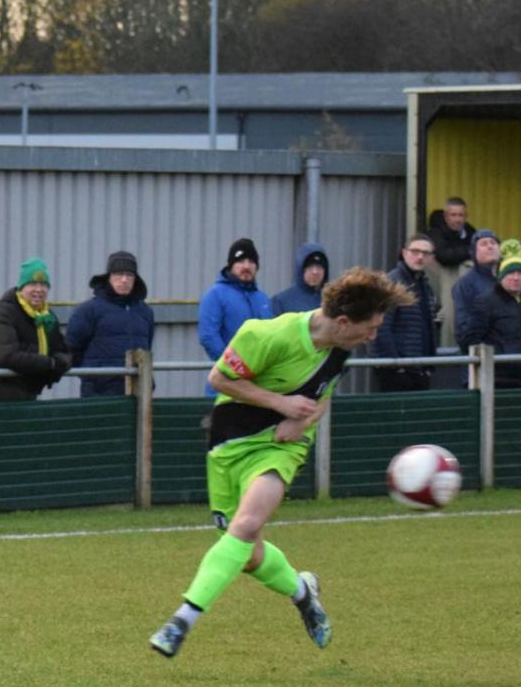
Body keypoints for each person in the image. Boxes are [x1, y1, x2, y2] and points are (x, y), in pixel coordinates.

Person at [149, 267, 413, 659]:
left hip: (281, 447)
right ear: (342, 322)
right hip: (230, 443)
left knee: (248, 523)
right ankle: (302, 590)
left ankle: (181, 621)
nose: (373, 336)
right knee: (246, 552)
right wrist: (281, 404)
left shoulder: (341, 349)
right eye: (370, 327)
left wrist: (303, 420)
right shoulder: (265, 335)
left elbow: (323, 398)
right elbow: (219, 379)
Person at [0, 257, 71, 402]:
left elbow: (62, 350)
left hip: (24, 396)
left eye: (44, 284)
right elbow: (4, 355)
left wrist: (60, 363)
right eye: (32, 284)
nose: (39, 289)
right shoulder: (4, 313)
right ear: (21, 287)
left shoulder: (47, 317)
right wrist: (49, 364)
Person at [65, 250, 155, 397]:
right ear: (109, 277)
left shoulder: (145, 312)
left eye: (129, 275)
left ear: (135, 279)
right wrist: (94, 378)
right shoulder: (88, 311)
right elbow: (71, 349)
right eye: (118, 274)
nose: (124, 280)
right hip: (99, 394)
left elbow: (147, 346)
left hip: (139, 393)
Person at [460, 239, 521, 388]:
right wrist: (495, 359)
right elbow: (469, 339)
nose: (516, 278)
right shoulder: (486, 302)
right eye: (511, 273)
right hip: (497, 381)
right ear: (501, 276)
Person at [198, 238, 273, 395]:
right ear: (231, 265)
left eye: (251, 261)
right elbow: (208, 337)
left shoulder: (263, 299)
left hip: (260, 387)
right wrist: (236, 367)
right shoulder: (215, 295)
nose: (246, 266)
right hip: (225, 387)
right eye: (240, 261)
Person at [371, 234, 439, 392]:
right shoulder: (391, 283)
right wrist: (396, 365)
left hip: (418, 368)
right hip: (397, 370)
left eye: (426, 253)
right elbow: (380, 327)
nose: (420, 257)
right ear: (404, 253)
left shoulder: (425, 286)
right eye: (415, 251)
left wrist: (429, 365)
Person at [427, 197, 477, 346]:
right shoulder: (435, 233)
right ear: (446, 216)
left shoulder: (470, 232)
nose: (457, 219)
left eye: (460, 215)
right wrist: (470, 250)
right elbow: (444, 256)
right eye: (453, 215)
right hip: (442, 288)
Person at [451, 228, 500, 354]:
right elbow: (463, 328)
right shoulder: (465, 284)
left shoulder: (510, 280)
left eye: (493, 243)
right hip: (481, 358)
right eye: (484, 244)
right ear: (474, 252)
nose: (490, 246)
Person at [270, 241, 329, 316]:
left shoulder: (331, 301)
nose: (315, 272)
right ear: (300, 270)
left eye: (319, 267)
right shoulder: (281, 301)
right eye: (310, 267)